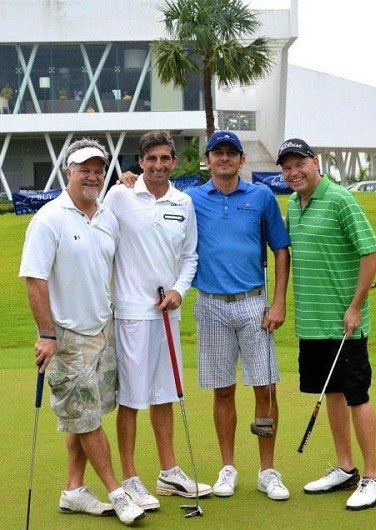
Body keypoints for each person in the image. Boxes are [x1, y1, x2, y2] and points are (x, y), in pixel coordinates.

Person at [120, 130, 292, 502]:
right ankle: (227, 467)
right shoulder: (191, 199)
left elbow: (281, 250)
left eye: (232, 153)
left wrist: (278, 303)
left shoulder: (261, 196)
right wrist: (128, 177)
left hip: (253, 303)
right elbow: (155, 196)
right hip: (210, 305)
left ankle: (267, 470)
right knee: (223, 389)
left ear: (242, 160)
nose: (225, 159)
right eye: (218, 153)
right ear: (208, 160)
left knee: (264, 388)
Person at [18, 138, 145, 526]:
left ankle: (73, 490)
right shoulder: (49, 218)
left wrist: (129, 184)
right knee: (87, 419)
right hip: (66, 336)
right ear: (67, 172)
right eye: (83, 169)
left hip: (101, 329)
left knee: (84, 416)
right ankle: (117, 492)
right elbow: (35, 280)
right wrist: (46, 334)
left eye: (97, 169)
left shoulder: (107, 216)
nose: (91, 176)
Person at [103, 130, 210, 512]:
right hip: (131, 313)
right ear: (141, 160)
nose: (160, 165)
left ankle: (169, 471)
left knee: (166, 393)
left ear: (174, 160)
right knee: (132, 399)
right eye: (152, 159)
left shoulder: (184, 202)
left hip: (168, 312)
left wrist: (180, 290)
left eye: (166, 158)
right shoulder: (120, 195)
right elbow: (100, 235)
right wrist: (121, 180)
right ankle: (130, 478)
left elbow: (190, 256)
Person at [277, 138, 376, 511]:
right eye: (287, 167)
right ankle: (346, 467)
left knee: (356, 395)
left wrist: (356, 307)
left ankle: (372, 477)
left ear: (315, 162)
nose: (294, 172)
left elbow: (371, 253)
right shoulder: (294, 203)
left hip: (345, 324)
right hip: (312, 323)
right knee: (332, 394)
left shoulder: (340, 199)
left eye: (299, 164)